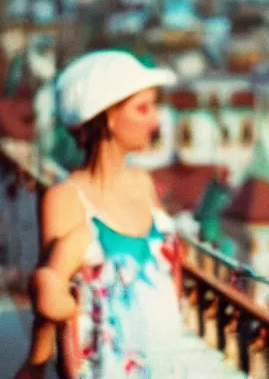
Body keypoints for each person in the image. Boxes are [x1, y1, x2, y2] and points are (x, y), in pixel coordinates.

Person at [15, 50, 185, 378]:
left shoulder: (143, 183)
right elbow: (53, 303)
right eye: (142, 108)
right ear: (107, 116)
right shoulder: (65, 199)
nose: (155, 120)